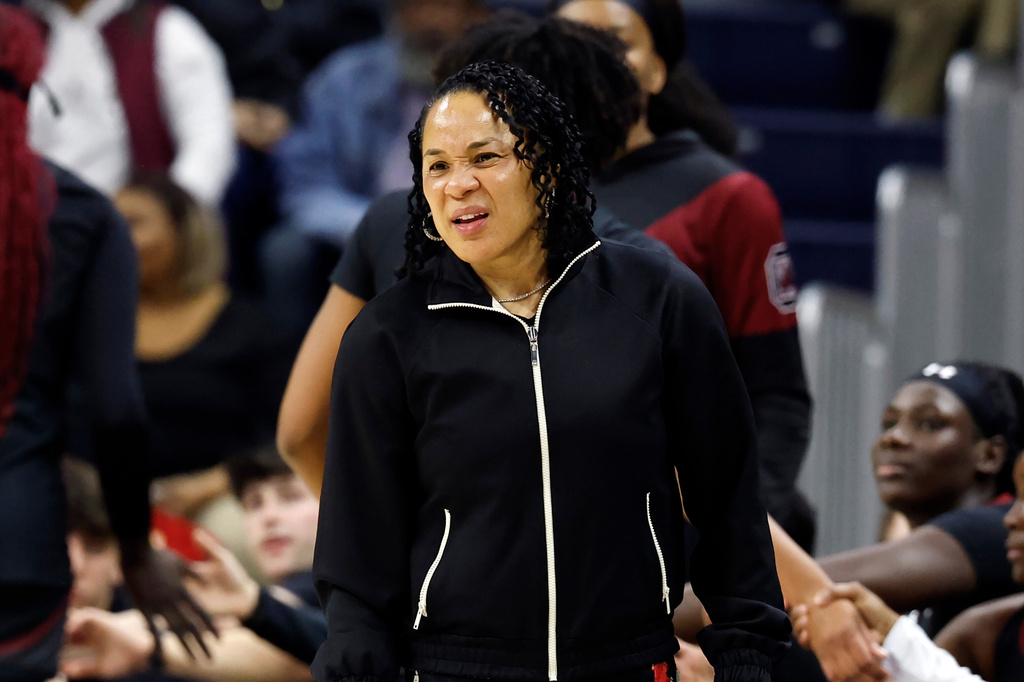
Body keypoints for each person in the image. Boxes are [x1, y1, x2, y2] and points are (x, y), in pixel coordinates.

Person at [312, 60, 790, 682]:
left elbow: (728, 500)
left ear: (551, 167)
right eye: (438, 166)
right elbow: (357, 544)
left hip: (630, 661)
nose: (459, 184)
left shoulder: (658, 297)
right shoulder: (388, 335)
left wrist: (747, 653)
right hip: (457, 668)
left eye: (484, 157)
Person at [276, 12, 665, 496]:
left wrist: (373, 550)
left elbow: (300, 431)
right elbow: (699, 484)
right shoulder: (648, 270)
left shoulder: (389, 221)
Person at [550, 0, 815, 551]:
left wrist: (733, 541)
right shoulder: (505, 187)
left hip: (671, 532)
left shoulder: (730, 198)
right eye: (572, 41)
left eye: (616, 42)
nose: (591, 60)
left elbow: (775, 395)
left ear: (656, 68)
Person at [0, 7, 212, 680]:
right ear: (37, 84)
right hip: (19, 544)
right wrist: (135, 550)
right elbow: (116, 409)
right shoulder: (86, 216)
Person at [264, 0, 488, 334]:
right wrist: (377, 227)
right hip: (355, 224)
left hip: (471, 221)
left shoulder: (502, 85)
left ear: (478, 14)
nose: (429, 22)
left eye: (444, 7)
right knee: (285, 252)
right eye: (415, 7)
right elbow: (306, 185)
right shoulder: (344, 77)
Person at [112, 173, 294, 573]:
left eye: (135, 223)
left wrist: (210, 485)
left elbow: (286, 434)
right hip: (108, 504)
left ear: (184, 232)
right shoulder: (93, 329)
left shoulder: (251, 328)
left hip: (222, 493)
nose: (116, 238)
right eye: (110, 225)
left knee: (237, 541)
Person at [61, 449, 326, 680]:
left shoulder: (332, 596)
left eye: (291, 496)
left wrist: (145, 643)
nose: (269, 516)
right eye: (253, 503)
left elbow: (315, 654)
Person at [793, 448, 1024, 682]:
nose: (1010, 518)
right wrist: (888, 637)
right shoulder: (984, 628)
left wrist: (808, 589)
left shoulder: (984, 624)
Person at [25, 0, 236, 206]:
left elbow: (209, 146)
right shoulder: (20, 33)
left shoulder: (165, 29)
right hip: (41, 220)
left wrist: (168, 215)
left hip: (135, 222)